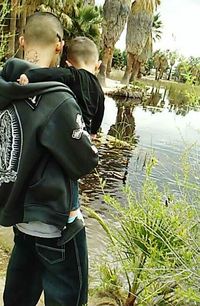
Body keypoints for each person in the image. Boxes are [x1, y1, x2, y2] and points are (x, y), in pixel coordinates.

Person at [0, 12, 98, 306]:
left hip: (20, 221)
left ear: (21, 41)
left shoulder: (5, 93)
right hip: (57, 228)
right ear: (59, 45)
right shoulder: (58, 99)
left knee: (17, 299)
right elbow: (84, 162)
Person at [18, 36, 105, 137]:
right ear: (97, 65)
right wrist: (93, 132)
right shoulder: (99, 89)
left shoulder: (72, 75)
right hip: (84, 133)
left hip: (66, 128)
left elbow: (51, 73)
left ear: (68, 64)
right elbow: (100, 112)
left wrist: (29, 76)